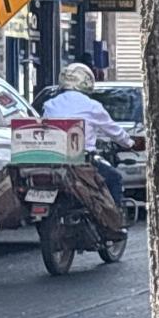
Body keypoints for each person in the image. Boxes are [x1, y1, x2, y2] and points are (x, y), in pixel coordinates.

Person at [40, 63, 133, 231]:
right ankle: (114, 224)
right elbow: (114, 131)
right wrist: (129, 143)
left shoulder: (50, 104)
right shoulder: (92, 106)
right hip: (82, 161)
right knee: (114, 178)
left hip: (51, 159)